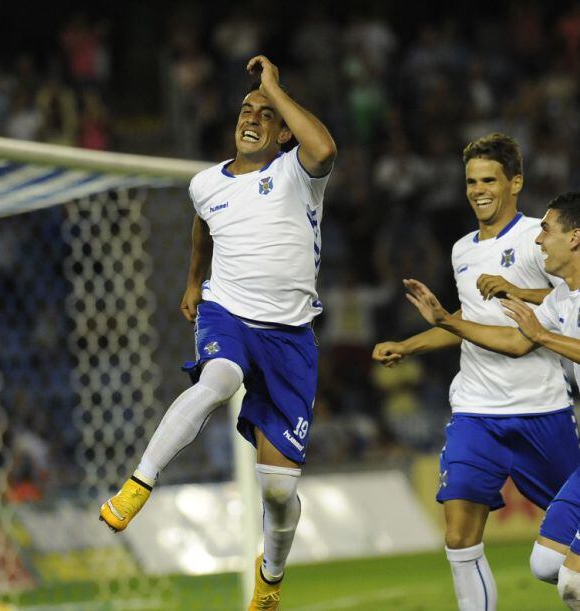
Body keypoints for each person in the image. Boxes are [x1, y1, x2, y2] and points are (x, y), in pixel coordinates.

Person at [100, 55, 337, 610]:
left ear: (282, 130)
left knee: (279, 492)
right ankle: (140, 480)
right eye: (245, 110)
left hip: (291, 338)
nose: (250, 118)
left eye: (264, 113)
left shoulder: (297, 172)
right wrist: (193, 281)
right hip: (227, 313)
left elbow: (324, 148)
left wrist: (275, 88)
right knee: (220, 378)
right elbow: (202, 226)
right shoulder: (205, 184)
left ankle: (270, 577)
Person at [372, 134, 580, 611]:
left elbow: (567, 303)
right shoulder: (462, 250)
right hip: (476, 410)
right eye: (470, 181)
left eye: (489, 179)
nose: (478, 190)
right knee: (459, 536)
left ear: (515, 183)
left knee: (559, 555)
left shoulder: (542, 238)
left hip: (541, 410)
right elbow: (470, 325)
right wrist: (411, 345)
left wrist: (515, 293)